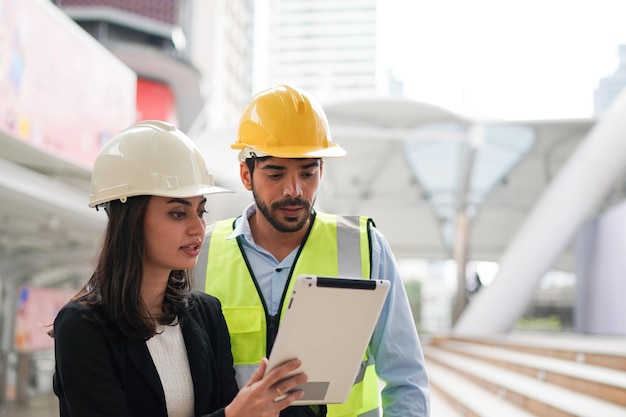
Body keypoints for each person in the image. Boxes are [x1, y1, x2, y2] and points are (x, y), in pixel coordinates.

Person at [195, 85, 430, 417]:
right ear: (246, 174)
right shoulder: (201, 254)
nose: (294, 190)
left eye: (307, 173)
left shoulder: (365, 247)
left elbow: (407, 379)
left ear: (322, 171)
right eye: (276, 174)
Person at [50, 120, 308, 417]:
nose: (198, 227)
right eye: (177, 213)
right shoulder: (82, 327)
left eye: (200, 211)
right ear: (130, 221)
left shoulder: (206, 314)